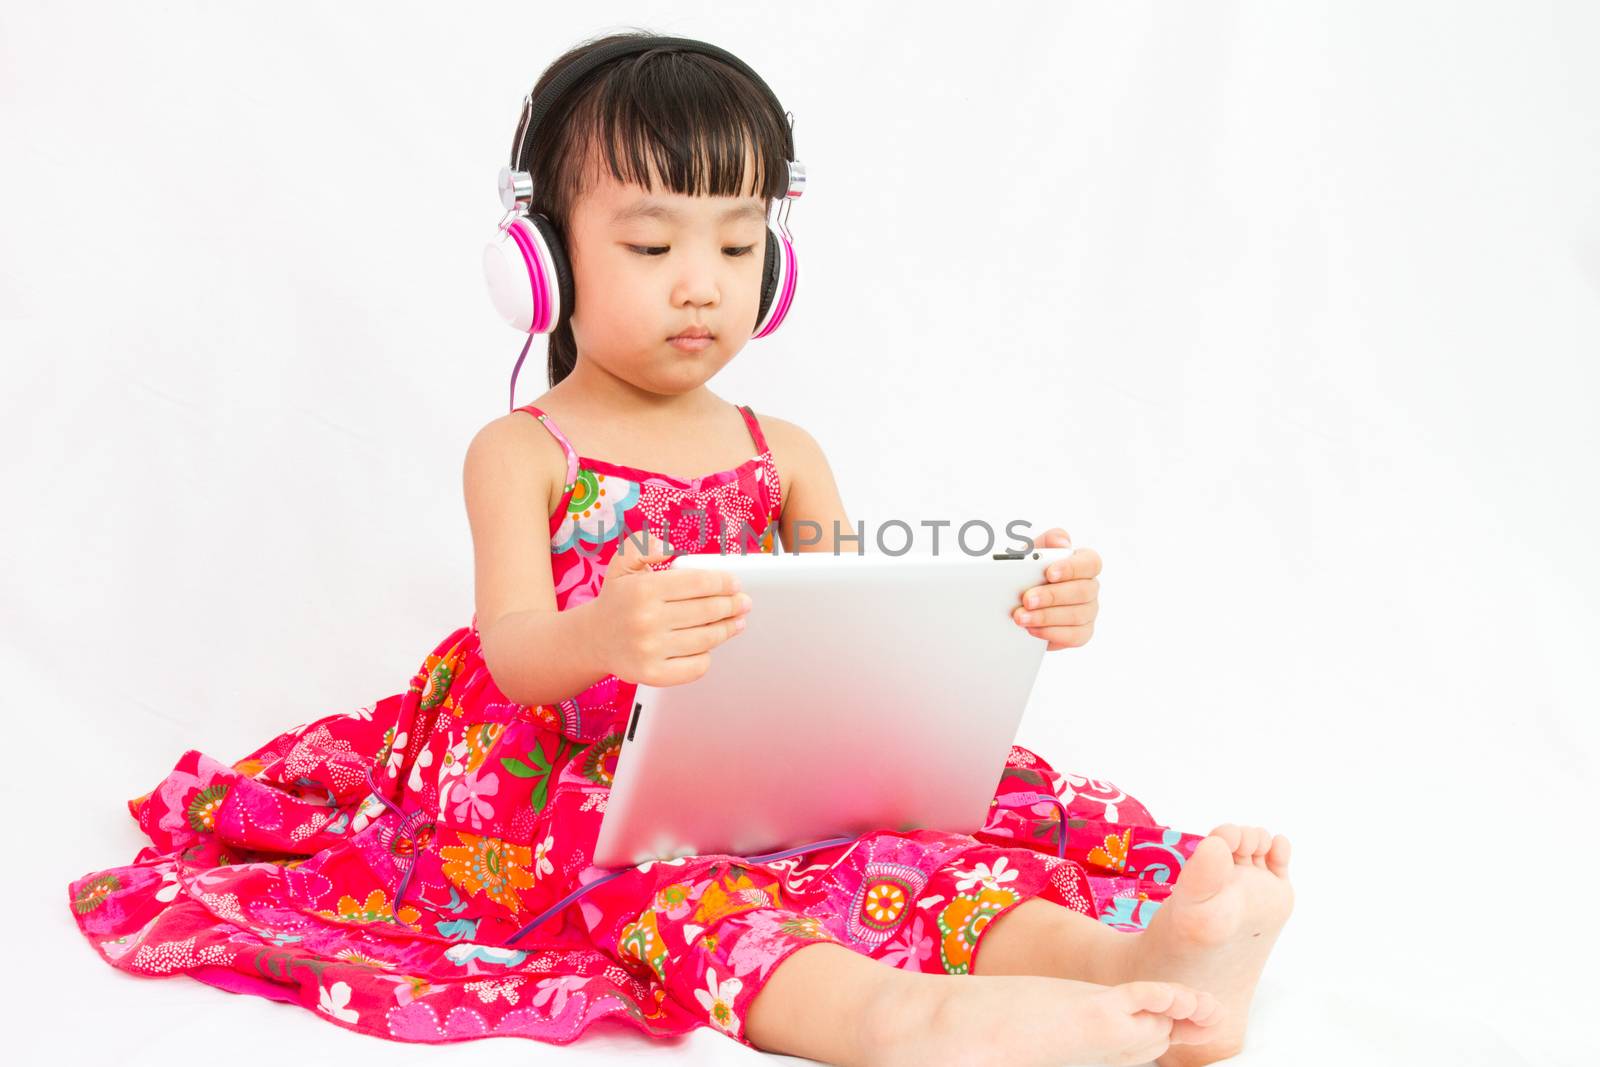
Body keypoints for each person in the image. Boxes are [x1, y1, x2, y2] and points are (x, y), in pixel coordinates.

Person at [66, 30, 1293, 1067]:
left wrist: (1006, 609)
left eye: (735, 243)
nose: (700, 285)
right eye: (652, 248)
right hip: (589, 784)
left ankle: (1135, 970)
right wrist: (608, 631)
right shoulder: (524, 451)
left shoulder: (786, 446)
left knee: (917, 852)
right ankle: (907, 1016)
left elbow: (856, 621)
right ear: (542, 265)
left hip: (762, 752)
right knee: (682, 900)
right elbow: (519, 654)